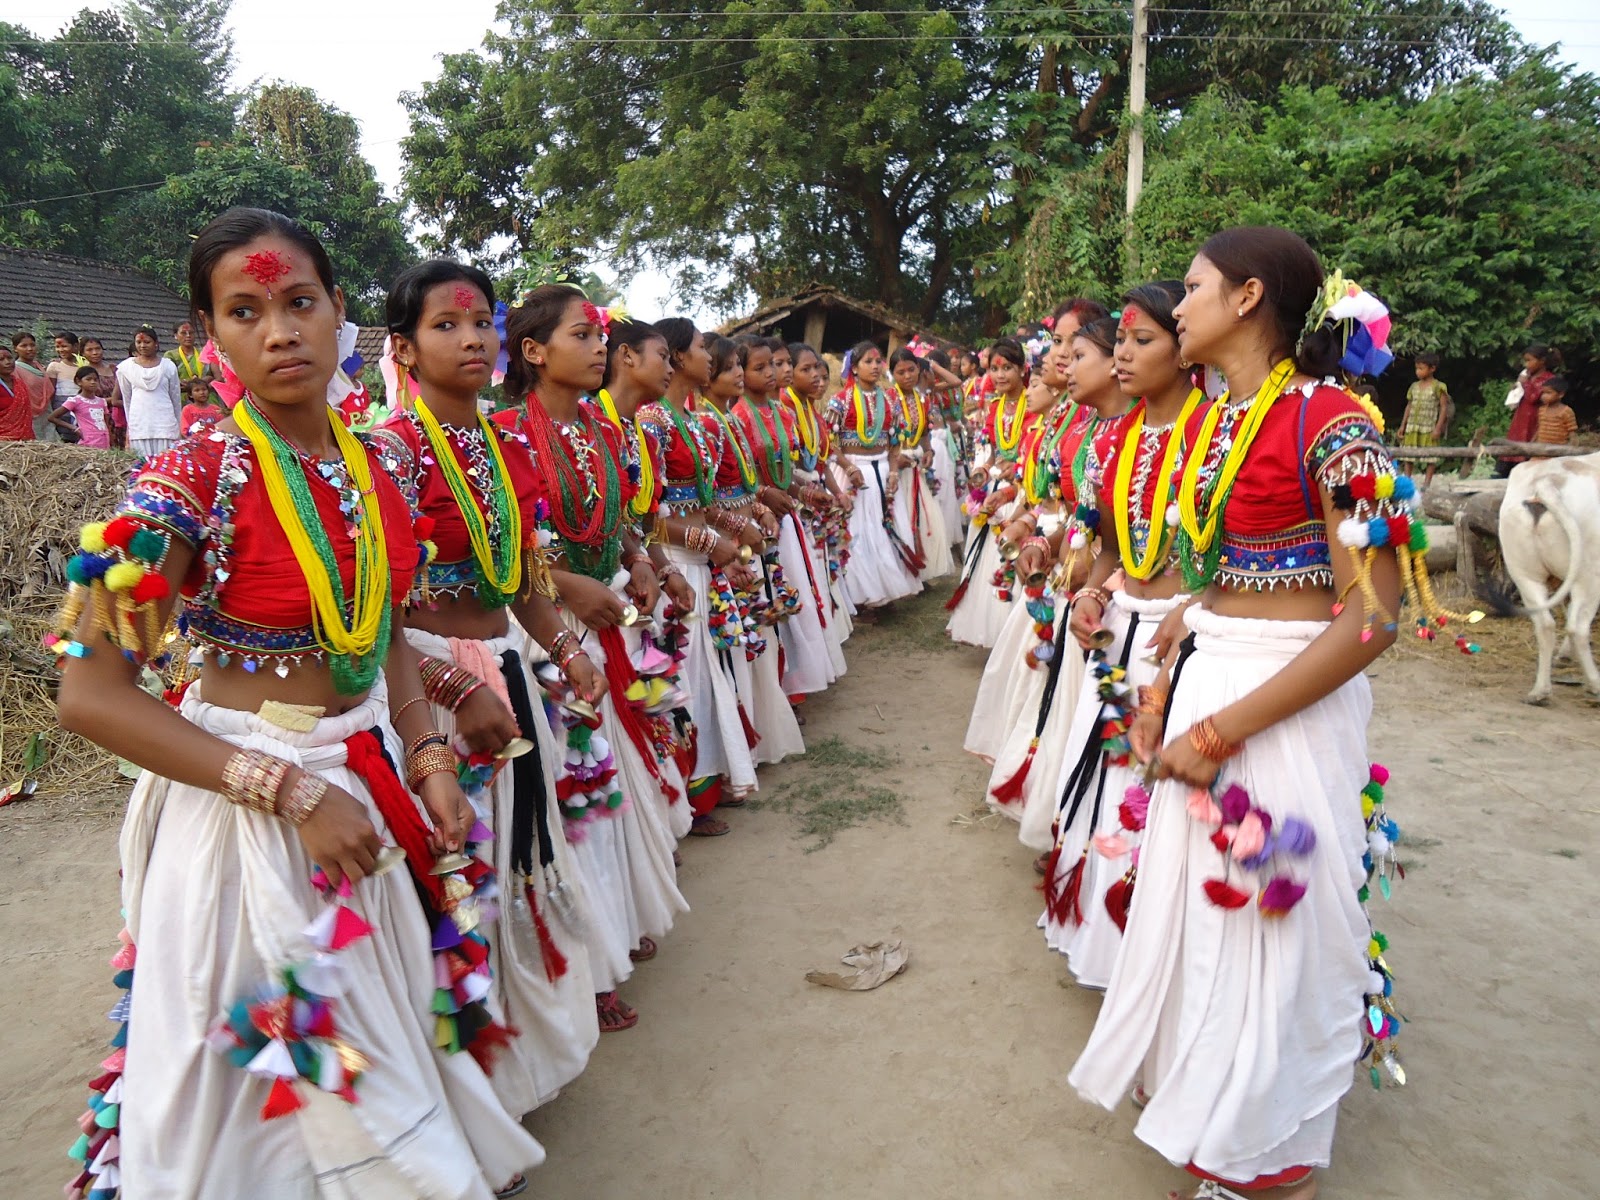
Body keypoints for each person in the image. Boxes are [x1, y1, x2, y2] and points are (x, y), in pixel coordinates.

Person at [53, 206, 544, 1199]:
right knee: (250, 1093)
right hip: (250, 812)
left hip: (364, 786)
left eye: (297, 302)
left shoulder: (380, 464)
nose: (277, 330)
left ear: (341, 317)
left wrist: (428, 751)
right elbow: (90, 694)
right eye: (243, 311)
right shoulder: (186, 482)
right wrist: (287, 790)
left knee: (377, 1031)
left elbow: (379, 638)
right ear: (209, 336)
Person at [1068, 226, 1429, 1200]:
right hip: (1211, 678)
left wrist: (1222, 729)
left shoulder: (1335, 422)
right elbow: (1215, 581)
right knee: (1208, 919)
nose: (1173, 309)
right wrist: (1167, 686)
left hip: (1285, 703)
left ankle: (1266, 1155)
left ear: (1246, 298)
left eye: (1189, 290)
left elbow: (1375, 616)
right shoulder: (1211, 424)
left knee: (1283, 928)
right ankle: (1217, 1110)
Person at [371, 258, 609, 1118]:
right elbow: (375, 620)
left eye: (482, 324)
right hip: (428, 691)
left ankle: (520, 1061)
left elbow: (521, 575)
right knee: (455, 881)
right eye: (446, 325)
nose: (472, 339)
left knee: (515, 859)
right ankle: (468, 1098)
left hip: (504, 665)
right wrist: (448, 686)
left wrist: (564, 643)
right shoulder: (385, 455)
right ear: (403, 346)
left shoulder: (503, 443)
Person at [494, 284, 688, 1035]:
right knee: (572, 799)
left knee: (614, 792)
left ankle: (618, 927)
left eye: (598, 335)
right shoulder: (506, 433)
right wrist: (565, 584)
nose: (598, 346)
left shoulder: (610, 434)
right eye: (583, 335)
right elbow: (502, 552)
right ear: (535, 352)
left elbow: (626, 522)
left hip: (606, 624)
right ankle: (591, 962)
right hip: (544, 637)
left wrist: (637, 558)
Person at [1042, 283, 1202, 987]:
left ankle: (1156, 966)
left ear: (1185, 349)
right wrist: (1089, 590)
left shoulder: (1217, 433)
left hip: (1182, 643)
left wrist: (1190, 612)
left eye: (1143, 342)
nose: (1125, 356)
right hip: (1119, 632)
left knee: (1163, 801)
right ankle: (1107, 946)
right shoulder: (1122, 439)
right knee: (1112, 789)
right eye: (1123, 343)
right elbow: (1110, 546)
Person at [644, 319, 762, 836]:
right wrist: (708, 544)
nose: (708, 356)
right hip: (672, 564)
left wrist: (733, 535)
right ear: (673, 355)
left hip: (698, 563)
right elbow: (644, 515)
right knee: (682, 682)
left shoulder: (690, 420)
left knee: (702, 679)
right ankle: (684, 801)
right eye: (697, 348)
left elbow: (703, 501)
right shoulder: (652, 421)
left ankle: (703, 791)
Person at [733, 335, 845, 699]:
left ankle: (797, 682)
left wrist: (807, 493)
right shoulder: (736, 418)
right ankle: (779, 690)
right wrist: (765, 495)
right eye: (760, 367)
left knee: (795, 594)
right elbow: (739, 480)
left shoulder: (782, 413)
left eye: (775, 365)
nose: (771, 373)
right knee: (770, 598)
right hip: (757, 521)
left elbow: (787, 472)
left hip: (788, 518)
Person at [946, 336, 1033, 648]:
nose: (1000, 375)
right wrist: (982, 471)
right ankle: (985, 629)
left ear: (1023, 370)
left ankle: (1007, 636)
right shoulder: (994, 406)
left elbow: (1032, 454)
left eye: (1007, 367)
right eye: (995, 368)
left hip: (1021, 492)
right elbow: (995, 452)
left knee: (1008, 557)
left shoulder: (1034, 405)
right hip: (995, 487)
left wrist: (1015, 475)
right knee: (986, 559)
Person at [825, 341, 923, 611]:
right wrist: (848, 467)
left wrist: (893, 470)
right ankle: (861, 596)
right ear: (854, 368)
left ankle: (884, 592)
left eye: (878, 361)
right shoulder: (840, 401)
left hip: (882, 470)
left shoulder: (890, 400)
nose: (875, 366)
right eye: (868, 362)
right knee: (857, 533)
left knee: (884, 528)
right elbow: (829, 443)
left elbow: (896, 441)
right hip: (854, 473)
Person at [887, 347, 955, 582]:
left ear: (919, 370)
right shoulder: (888, 399)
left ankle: (920, 573)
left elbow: (924, 431)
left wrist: (928, 450)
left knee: (925, 519)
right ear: (892, 375)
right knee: (901, 519)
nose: (907, 376)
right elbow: (882, 437)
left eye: (911, 370)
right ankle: (902, 575)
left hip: (915, 466)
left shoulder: (922, 399)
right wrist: (895, 459)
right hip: (895, 469)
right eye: (900, 372)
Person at [116, 326, 182, 458]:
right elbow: (127, 399)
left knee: (166, 465)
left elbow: (175, 398)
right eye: (139, 342)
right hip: (140, 425)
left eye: (147, 342)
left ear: (156, 344)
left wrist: (177, 426)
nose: (142, 346)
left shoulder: (168, 366)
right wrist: (131, 427)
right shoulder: (126, 368)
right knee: (141, 466)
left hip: (165, 425)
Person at [1498, 343, 1559, 476]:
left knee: (1527, 451)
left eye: (1529, 360)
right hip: (1520, 418)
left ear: (1542, 361)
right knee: (1511, 448)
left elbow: (1533, 397)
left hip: (1534, 420)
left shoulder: (1548, 380)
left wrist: (1525, 383)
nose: (1526, 365)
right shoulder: (1528, 377)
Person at [1398, 352, 1450, 485]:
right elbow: (1409, 406)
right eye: (1417, 368)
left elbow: (1444, 408)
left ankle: (1427, 483)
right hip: (1412, 425)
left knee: (1430, 456)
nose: (1418, 371)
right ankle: (1407, 480)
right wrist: (1403, 426)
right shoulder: (1414, 387)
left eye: (1421, 368)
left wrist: (1438, 428)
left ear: (1432, 368)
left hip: (1429, 426)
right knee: (1408, 455)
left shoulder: (1439, 387)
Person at [51, 365, 112, 448]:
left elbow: (106, 422)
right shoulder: (75, 401)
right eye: (88, 379)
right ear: (78, 381)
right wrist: (73, 428)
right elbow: (52, 417)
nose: (93, 382)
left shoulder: (101, 402)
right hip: (87, 441)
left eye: (95, 380)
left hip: (104, 441)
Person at [81, 337, 125, 448]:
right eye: (90, 350)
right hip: (99, 417)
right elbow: (86, 400)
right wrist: (113, 400)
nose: (95, 353)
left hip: (120, 414)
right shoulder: (84, 374)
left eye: (98, 349)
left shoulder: (114, 369)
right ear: (82, 353)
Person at [12, 331, 55, 442]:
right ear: (15, 349)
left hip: (46, 412)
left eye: (32, 345)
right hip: (28, 414)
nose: (30, 349)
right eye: (24, 346)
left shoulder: (38, 366)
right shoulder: (15, 369)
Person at [0, 344, 35, 441]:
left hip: (25, 439)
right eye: (1, 359)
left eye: (10, 358)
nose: (7, 362)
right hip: (3, 441)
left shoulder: (19, 383)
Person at [1534, 375, 1578, 446]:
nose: (1544, 396)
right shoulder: (1541, 410)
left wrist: (1570, 450)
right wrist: (1532, 444)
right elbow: (1539, 429)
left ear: (1561, 394)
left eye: (1548, 393)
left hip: (1557, 451)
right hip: (1540, 450)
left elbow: (1572, 434)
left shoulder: (1566, 411)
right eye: (1543, 393)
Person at [166, 318, 208, 382]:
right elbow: (168, 379)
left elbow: (215, 377)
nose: (188, 336)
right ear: (175, 336)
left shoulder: (205, 352)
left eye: (191, 333)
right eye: (183, 333)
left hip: (205, 390)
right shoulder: (171, 355)